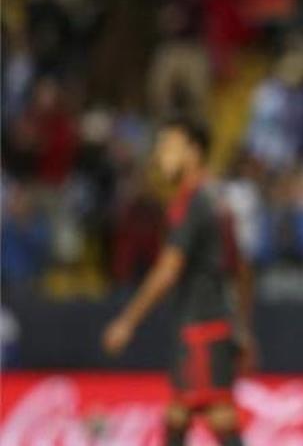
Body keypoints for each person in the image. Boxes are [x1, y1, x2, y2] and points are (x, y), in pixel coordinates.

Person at [102, 116, 256, 446]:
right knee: (178, 414)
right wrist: (241, 325)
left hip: (200, 324)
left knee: (217, 414)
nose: (161, 156)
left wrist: (127, 321)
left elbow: (168, 270)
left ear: (194, 152)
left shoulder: (189, 203)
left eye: (169, 147)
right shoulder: (219, 201)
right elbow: (241, 269)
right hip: (215, 322)